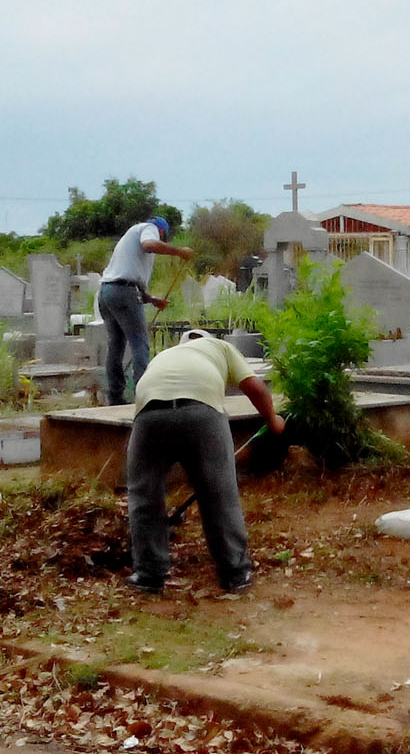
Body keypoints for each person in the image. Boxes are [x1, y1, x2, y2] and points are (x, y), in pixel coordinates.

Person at [124, 329, 284, 594]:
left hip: (149, 414)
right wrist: (273, 421)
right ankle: (236, 573)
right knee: (219, 492)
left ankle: (148, 574)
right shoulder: (221, 347)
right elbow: (255, 387)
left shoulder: (164, 355)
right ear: (208, 340)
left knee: (144, 495)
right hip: (202, 412)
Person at [98, 216, 195, 406]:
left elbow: (125, 274)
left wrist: (150, 299)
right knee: (140, 344)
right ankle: (145, 398)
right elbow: (149, 244)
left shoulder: (129, 237)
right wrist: (179, 252)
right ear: (161, 231)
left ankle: (115, 397)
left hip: (106, 292)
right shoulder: (148, 228)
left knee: (116, 347)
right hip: (124, 292)